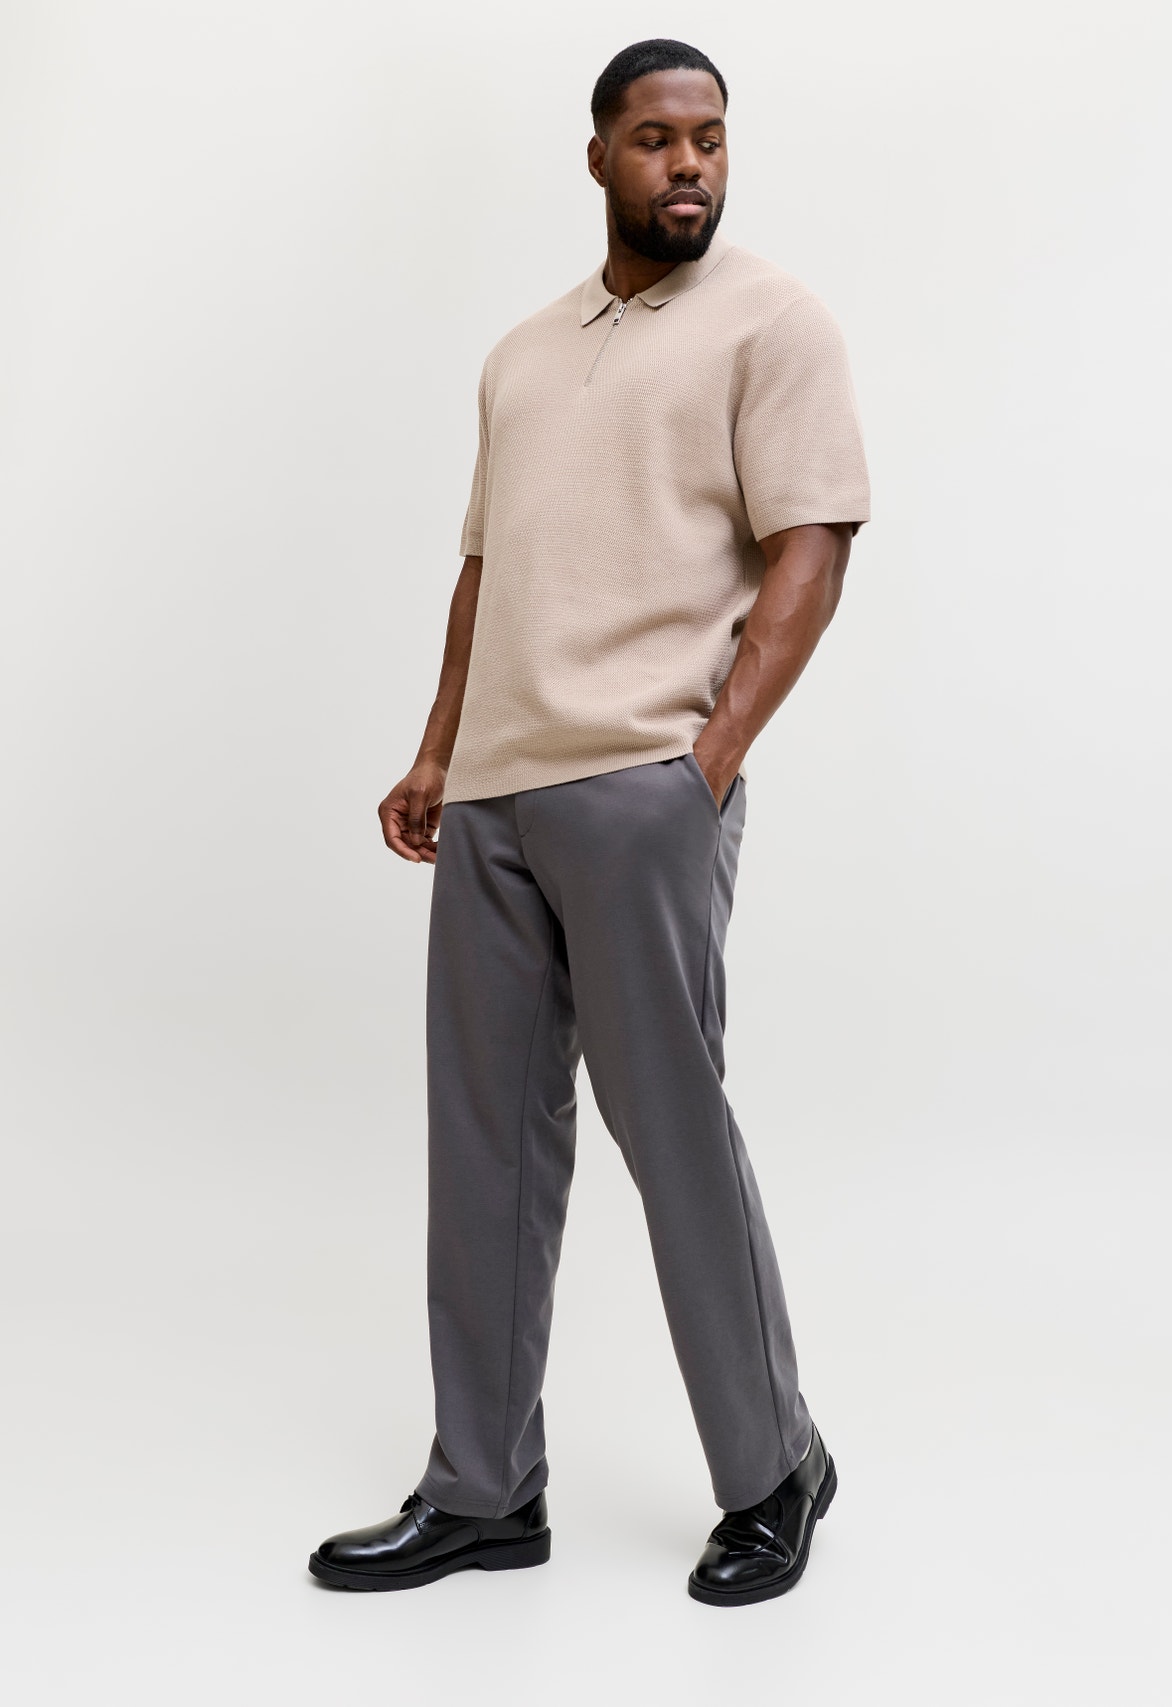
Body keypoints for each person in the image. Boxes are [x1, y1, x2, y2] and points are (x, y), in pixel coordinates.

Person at [308, 36, 871, 1608]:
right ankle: (484, 1488)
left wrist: (707, 763)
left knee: (670, 1130)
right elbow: (487, 570)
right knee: (484, 1145)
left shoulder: (775, 322)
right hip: (495, 795)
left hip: (641, 787)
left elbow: (814, 545)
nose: (689, 164)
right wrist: (440, 751)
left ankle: (775, 1468)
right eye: (656, 138)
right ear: (600, 156)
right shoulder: (522, 353)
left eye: (711, 138)